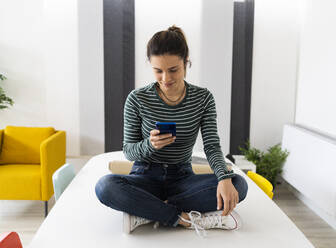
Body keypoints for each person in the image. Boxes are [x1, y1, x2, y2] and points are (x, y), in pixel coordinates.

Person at [95, 25, 248, 237]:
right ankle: (178, 217)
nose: (166, 78)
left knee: (238, 184)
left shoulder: (203, 98)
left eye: (173, 70)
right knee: (105, 186)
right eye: (158, 71)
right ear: (151, 66)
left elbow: (211, 146)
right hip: (145, 176)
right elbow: (129, 151)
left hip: (182, 179)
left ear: (186, 62)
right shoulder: (137, 99)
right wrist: (150, 145)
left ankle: (146, 210)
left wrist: (223, 178)